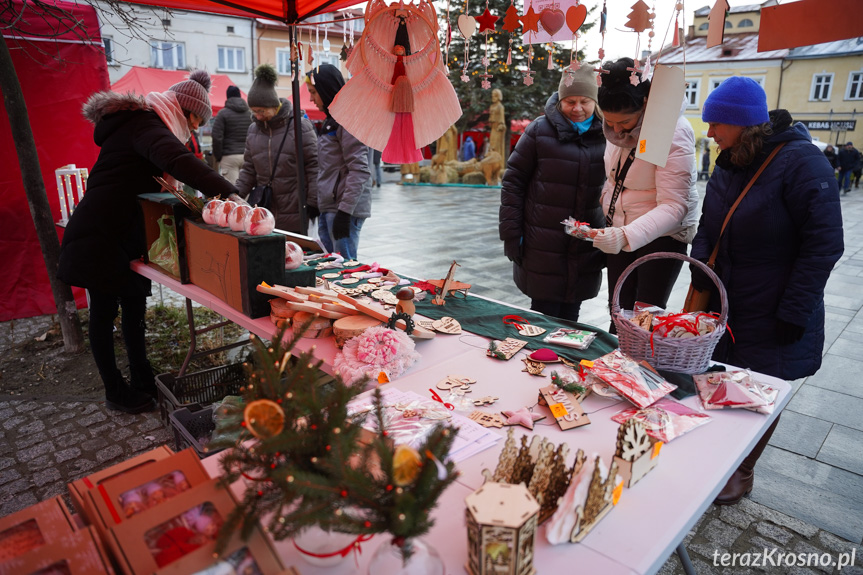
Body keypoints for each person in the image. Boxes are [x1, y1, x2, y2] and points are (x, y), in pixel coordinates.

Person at [690, 76, 843, 505]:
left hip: (776, 301)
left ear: (744, 124)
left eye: (717, 123)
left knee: (758, 388)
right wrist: (701, 269)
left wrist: (794, 309)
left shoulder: (801, 163)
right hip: (729, 299)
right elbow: (709, 225)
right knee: (722, 379)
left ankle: (741, 470)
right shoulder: (729, 159)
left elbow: (825, 244)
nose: (711, 132)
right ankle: (719, 455)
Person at [57, 70, 240, 414]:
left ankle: (142, 377)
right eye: (197, 121)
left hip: (122, 233)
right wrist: (230, 193)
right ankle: (116, 391)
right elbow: (179, 160)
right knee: (103, 311)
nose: (195, 130)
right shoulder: (146, 125)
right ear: (184, 111)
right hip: (100, 233)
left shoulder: (144, 124)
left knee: (134, 304)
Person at [592, 58, 699, 330]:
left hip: (661, 238)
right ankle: (615, 368)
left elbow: (675, 206)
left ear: (645, 105)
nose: (616, 130)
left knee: (642, 319)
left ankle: (637, 370)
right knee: (618, 312)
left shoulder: (674, 133)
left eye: (624, 122)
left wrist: (625, 234)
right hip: (620, 231)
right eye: (609, 121)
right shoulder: (617, 129)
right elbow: (616, 178)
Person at [499, 67, 606, 322]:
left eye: (585, 101)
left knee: (571, 315)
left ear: (595, 101)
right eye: (570, 101)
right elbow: (513, 183)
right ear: (560, 100)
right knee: (543, 316)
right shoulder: (539, 130)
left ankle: (564, 360)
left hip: (584, 243)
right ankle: (538, 361)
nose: (577, 108)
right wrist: (512, 235)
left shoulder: (607, 133)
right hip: (543, 243)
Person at [235, 64, 319, 233]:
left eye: (261, 110)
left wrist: (313, 202)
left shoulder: (299, 126)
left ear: (273, 105)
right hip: (265, 208)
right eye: (254, 111)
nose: (257, 115)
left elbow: (314, 166)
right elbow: (248, 170)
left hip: (295, 209)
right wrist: (234, 196)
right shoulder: (253, 130)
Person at [306, 64, 372, 260]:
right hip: (330, 206)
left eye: (313, 92)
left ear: (326, 90)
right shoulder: (331, 121)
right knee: (330, 265)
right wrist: (316, 203)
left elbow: (359, 170)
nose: (311, 99)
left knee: (345, 269)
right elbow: (328, 168)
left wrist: (345, 212)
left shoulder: (348, 120)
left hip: (343, 209)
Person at [212, 85, 252, 184]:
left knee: (232, 192)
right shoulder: (250, 113)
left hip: (229, 157)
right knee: (247, 191)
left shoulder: (222, 113)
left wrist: (218, 156)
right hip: (247, 156)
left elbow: (217, 137)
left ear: (227, 97)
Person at [489, 88, 507, 165]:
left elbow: (502, 122)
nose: (493, 97)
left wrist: (501, 126)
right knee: (491, 146)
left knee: (496, 147)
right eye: (492, 96)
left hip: (497, 129)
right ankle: (491, 163)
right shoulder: (492, 106)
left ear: (498, 96)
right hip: (493, 128)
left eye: (495, 96)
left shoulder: (500, 107)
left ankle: (497, 164)